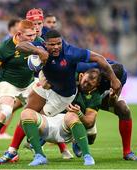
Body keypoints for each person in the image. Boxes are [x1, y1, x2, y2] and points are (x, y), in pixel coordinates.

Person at [17, 29, 121, 164]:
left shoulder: (71, 53)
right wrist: (38, 51)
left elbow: (99, 58)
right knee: (26, 113)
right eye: (52, 45)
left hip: (62, 96)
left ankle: (73, 139)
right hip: (47, 86)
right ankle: (15, 151)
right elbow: (19, 45)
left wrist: (114, 79)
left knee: (37, 124)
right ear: (45, 44)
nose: (56, 47)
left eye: (58, 44)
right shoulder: (40, 46)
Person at [0, 19, 48, 164]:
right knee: (5, 112)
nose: (32, 38)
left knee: (45, 111)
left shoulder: (38, 41)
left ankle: (24, 145)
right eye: (29, 36)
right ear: (19, 34)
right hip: (8, 84)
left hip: (28, 83)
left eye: (34, 35)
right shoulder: (6, 47)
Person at [20, 69, 101, 166]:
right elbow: (45, 72)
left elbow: (89, 122)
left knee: (74, 117)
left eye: (89, 85)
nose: (85, 85)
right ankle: (39, 156)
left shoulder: (95, 97)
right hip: (48, 121)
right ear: (81, 76)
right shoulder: (66, 79)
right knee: (26, 113)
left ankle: (86, 154)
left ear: (96, 86)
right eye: (85, 82)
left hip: (67, 127)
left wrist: (79, 113)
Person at [73, 61, 137, 161]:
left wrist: (112, 97)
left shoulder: (122, 75)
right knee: (90, 135)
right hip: (84, 95)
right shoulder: (94, 66)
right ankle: (77, 138)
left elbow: (112, 104)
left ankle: (127, 152)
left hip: (101, 97)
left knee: (124, 109)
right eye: (107, 76)